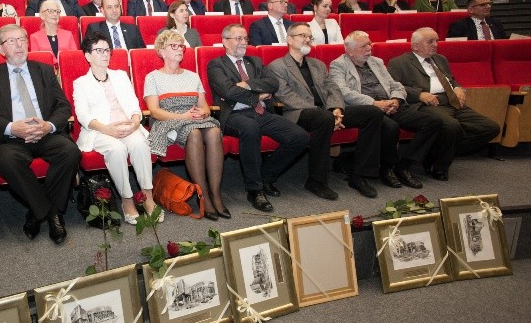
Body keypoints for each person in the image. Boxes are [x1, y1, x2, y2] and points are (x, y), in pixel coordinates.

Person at [0, 24, 80, 243]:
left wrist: (48, 126)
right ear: (0, 49)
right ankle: (50, 212)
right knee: (8, 160)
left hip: (46, 133)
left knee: (70, 152)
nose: (19, 45)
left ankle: (36, 211)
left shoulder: (44, 70)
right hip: (11, 138)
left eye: (22, 39)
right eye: (11, 41)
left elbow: (63, 107)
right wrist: (12, 128)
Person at [268, 23, 384, 199]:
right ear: (289, 40)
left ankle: (359, 175)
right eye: (303, 35)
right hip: (297, 113)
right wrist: (327, 115)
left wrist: (335, 109)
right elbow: (286, 97)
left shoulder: (318, 65)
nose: (308, 39)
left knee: (372, 113)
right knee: (323, 119)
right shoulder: (277, 66)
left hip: (325, 111)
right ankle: (316, 181)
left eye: (309, 36)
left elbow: (333, 88)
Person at [207, 24, 308, 211]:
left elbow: (273, 83)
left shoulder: (254, 61)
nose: (243, 42)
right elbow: (228, 91)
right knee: (250, 128)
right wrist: (258, 95)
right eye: (238, 38)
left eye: (245, 38)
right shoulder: (216, 64)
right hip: (233, 115)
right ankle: (254, 190)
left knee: (300, 137)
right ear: (225, 42)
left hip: (261, 112)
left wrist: (246, 84)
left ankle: (265, 176)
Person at [329, 31, 441, 189]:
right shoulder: (338, 65)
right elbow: (343, 92)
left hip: (390, 105)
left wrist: (395, 99)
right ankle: (387, 169)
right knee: (391, 127)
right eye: (363, 46)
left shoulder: (376, 62)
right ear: (350, 51)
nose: (369, 48)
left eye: (369, 44)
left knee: (432, 122)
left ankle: (403, 165)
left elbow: (395, 85)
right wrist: (375, 103)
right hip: (367, 109)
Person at [387, 28, 501, 180]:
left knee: (490, 128)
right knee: (451, 126)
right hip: (428, 104)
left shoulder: (441, 59)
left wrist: (457, 87)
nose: (435, 45)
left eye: (436, 41)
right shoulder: (399, 62)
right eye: (430, 42)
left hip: (451, 101)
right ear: (415, 46)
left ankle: (432, 152)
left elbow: (450, 79)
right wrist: (418, 94)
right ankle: (440, 167)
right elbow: (392, 86)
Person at [73, 32, 156, 224]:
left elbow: (134, 105)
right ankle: (127, 200)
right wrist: (107, 129)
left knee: (140, 144)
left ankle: (148, 196)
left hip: (128, 126)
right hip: (100, 130)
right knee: (117, 149)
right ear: (87, 56)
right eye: (99, 50)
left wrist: (135, 122)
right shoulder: (81, 83)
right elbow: (83, 116)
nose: (105, 54)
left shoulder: (120, 76)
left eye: (107, 50)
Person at [144, 30, 228, 220]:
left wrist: (203, 113)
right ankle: (204, 196)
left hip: (194, 118)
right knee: (194, 133)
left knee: (215, 131)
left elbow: (205, 107)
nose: (179, 49)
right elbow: (154, 111)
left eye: (181, 46)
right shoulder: (153, 77)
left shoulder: (192, 76)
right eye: (174, 46)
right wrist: (182, 116)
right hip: (169, 121)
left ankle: (216, 194)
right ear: (161, 51)